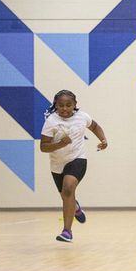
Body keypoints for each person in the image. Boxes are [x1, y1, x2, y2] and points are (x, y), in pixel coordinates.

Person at [40, 90, 108, 242]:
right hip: (57, 164)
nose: (64, 108)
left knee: (69, 188)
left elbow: (95, 126)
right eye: (61, 105)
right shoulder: (51, 121)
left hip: (78, 158)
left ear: (75, 105)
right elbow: (43, 147)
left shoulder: (82, 117)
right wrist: (59, 144)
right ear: (55, 105)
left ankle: (67, 232)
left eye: (68, 105)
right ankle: (75, 208)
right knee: (66, 196)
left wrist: (103, 140)